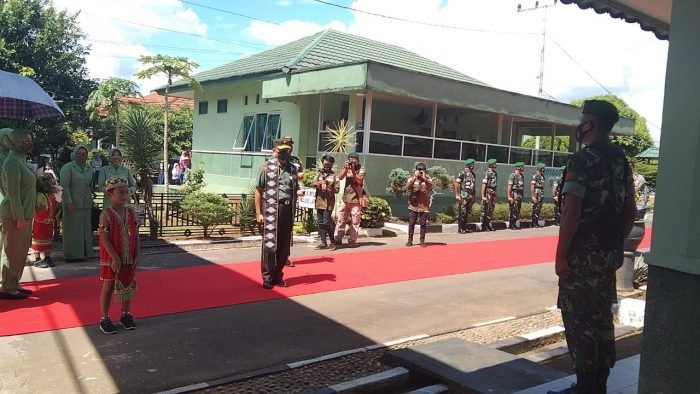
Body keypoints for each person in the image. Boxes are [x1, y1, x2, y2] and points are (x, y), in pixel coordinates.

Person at [551, 100, 636, 394]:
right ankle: (597, 386)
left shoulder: (583, 160)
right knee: (601, 320)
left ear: (591, 124)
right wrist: (613, 246)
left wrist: (561, 256)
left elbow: (571, 212)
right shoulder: (620, 160)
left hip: (582, 257)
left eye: (581, 119)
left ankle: (585, 388)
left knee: (580, 321)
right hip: (607, 255)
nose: (579, 124)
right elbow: (629, 211)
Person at [254, 140, 302, 289]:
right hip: (271, 209)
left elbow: (294, 187)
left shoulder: (293, 169)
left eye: (287, 151)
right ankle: (267, 277)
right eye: (281, 151)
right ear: (276, 151)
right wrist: (258, 213)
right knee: (269, 244)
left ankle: (278, 276)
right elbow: (258, 191)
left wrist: (299, 191)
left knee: (284, 245)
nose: (284, 154)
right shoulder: (267, 168)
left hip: (288, 209)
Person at [97, 176, 140, 334]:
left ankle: (125, 314)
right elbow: (104, 239)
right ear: (110, 194)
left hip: (128, 256)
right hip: (111, 258)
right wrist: (115, 258)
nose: (124, 196)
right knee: (108, 286)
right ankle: (104, 318)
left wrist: (137, 255)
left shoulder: (131, 212)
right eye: (120, 192)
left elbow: (136, 234)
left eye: (126, 192)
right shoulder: (106, 215)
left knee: (128, 285)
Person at [0, 129, 36, 299]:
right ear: (16, 143)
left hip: (26, 212)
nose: (29, 143)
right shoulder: (12, 161)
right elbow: (13, 193)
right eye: (26, 141)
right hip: (15, 214)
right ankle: (7, 286)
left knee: (21, 251)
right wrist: (19, 216)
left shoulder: (21, 159)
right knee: (12, 251)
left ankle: (15, 282)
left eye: (30, 140)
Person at [60, 145, 96, 261]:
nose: (82, 156)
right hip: (72, 203)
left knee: (86, 228)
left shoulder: (89, 168)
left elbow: (90, 185)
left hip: (85, 203)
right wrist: (69, 202)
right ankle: (72, 254)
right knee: (72, 229)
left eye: (84, 154)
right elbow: (64, 186)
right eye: (79, 154)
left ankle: (86, 252)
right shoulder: (67, 168)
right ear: (74, 155)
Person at [334, 152, 366, 245]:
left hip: (356, 198)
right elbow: (339, 177)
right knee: (341, 219)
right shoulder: (347, 167)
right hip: (346, 198)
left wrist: (352, 169)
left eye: (354, 159)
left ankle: (352, 240)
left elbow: (359, 179)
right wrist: (345, 168)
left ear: (358, 160)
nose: (353, 161)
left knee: (355, 221)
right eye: (351, 159)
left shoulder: (361, 168)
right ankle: (338, 238)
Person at [32, 174, 61, 268]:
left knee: (48, 237)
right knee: (38, 238)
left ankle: (47, 257)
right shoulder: (38, 195)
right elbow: (39, 207)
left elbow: (56, 204)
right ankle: (37, 259)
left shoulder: (51, 194)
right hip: (39, 220)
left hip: (49, 220)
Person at [312, 154, 339, 250]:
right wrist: (321, 183)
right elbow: (312, 183)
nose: (326, 165)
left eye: (328, 164)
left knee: (326, 223)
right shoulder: (319, 174)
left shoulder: (334, 175)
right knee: (320, 223)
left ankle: (333, 242)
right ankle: (323, 242)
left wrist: (327, 187)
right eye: (325, 164)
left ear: (331, 164)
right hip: (319, 201)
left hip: (328, 202)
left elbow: (337, 190)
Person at [406, 162, 433, 247]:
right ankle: (410, 241)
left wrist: (424, 178)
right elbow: (408, 186)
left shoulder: (428, 179)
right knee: (411, 223)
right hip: (413, 205)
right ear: (416, 170)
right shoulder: (412, 178)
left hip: (424, 206)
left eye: (423, 170)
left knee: (423, 224)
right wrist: (415, 177)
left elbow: (430, 186)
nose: (421, 171)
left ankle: (422, 241)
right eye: (419, 170)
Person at [454, 158, 477, 234]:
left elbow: (473, 186)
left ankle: (465, 227)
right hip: (464, 195)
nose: (473, 165)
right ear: (469, 165)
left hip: (470, 196)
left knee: (467, 212)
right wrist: (457, 195)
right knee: (462, 212)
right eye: (472, 164)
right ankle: (460, 228)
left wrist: (474, 196)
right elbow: (457, 184)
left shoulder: (473, 174)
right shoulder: (462, 172)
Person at [480, 158, 498, 232]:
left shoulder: (495, 173)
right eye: (494, 163)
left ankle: (488, 224)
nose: (496, 165)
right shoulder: (487, 173)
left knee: (491, 209)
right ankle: (484, 226)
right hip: (488, 192)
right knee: (486, 209)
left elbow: (495, 184)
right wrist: (483, 196)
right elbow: (484, 185)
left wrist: (495, 193)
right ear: (491, 164)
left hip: (492, 192)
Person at [507, 162, 525, 230]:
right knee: (513, 209)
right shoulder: (512, 175)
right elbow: (509, 186)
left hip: (520, 195)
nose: (523, 168)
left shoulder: (521, 176)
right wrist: (509, 196)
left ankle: (514, 223)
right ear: (518, 167)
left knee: (517, 210)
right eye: (522, 166)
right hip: (514, 194)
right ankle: (511, 225)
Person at [531, 162, 546, 228]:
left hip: (541, 193)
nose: (544, 169)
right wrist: (533, 196)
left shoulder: (542, 176)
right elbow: (532, 186)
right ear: (539, 168)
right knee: (535, 208)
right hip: (536, 192)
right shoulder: (535, 175)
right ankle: (533, 223)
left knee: (539, 208)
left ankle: (536, 222)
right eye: (542, 167)